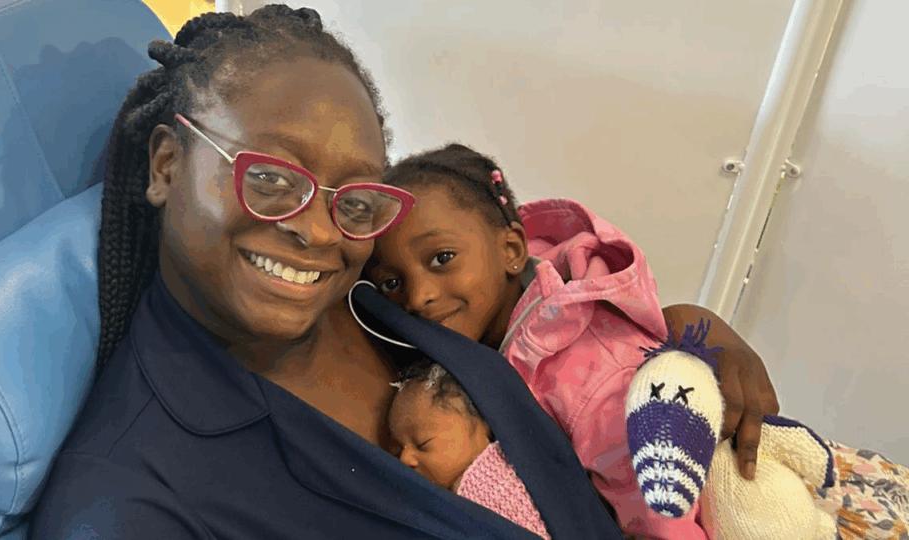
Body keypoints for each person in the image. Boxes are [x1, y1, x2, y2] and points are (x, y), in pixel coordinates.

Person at [28, 6, 626, 539]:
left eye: (355, 201)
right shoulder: (132, 498)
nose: (319, 231)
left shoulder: (373, 298)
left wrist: (682, 338)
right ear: (165, 165)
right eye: (269, 179)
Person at [366, 143, 909, 540]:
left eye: (442, 260)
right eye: (392, 282)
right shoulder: (509, 329)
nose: (417, 296)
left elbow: (656, 492)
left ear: (512, 250)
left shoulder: (576, 365)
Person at [388, 360, 551, 539]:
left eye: (422, 444)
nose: (404, 459)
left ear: (483, 425)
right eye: (398, 451)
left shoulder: (495, 482)